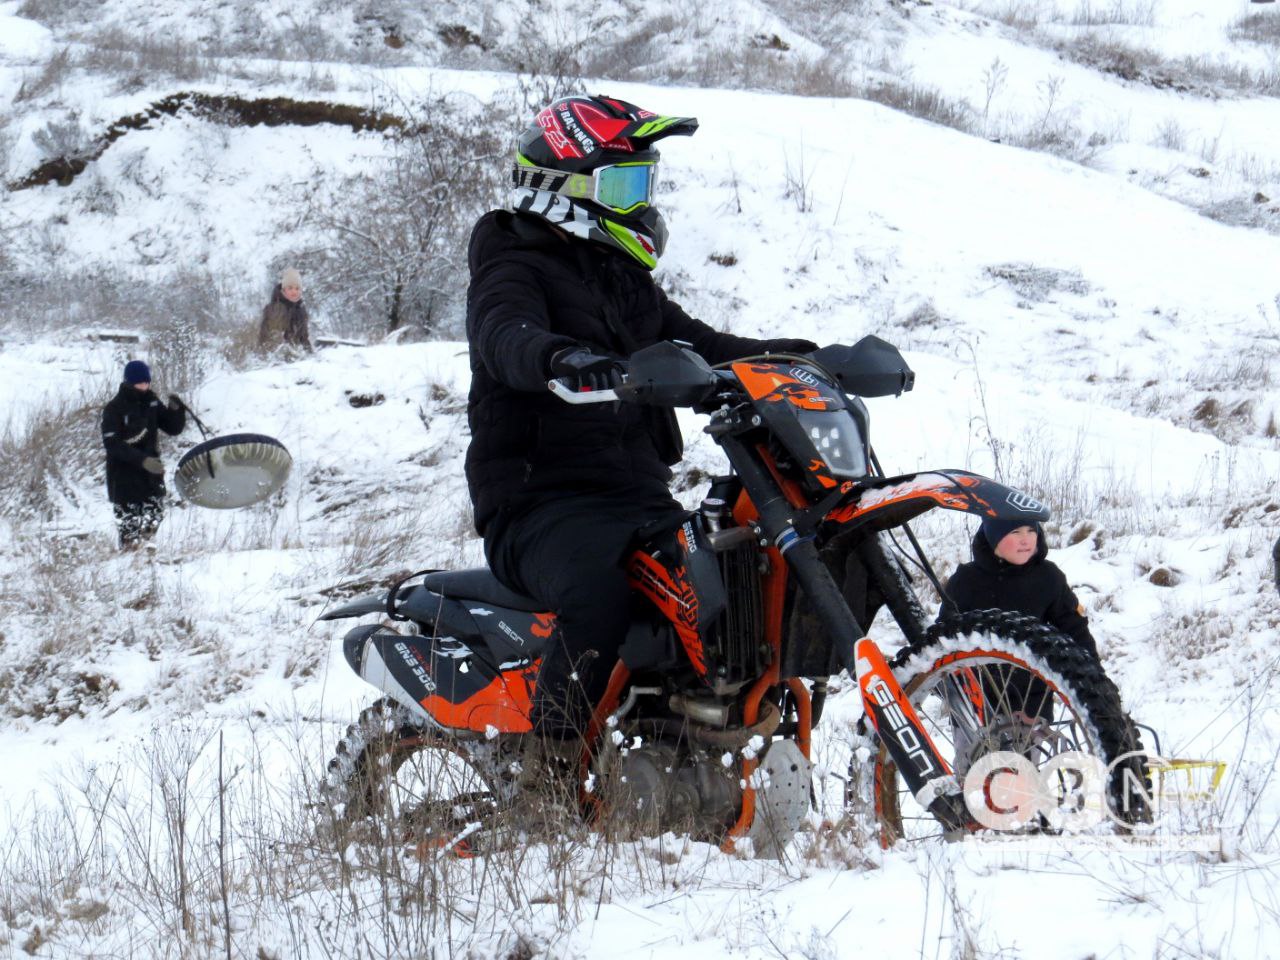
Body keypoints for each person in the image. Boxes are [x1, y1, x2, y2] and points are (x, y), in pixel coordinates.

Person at [465, 95, 816, 751]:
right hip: (538, 501)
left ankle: (678, 743)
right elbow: (504, 336)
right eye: (621, 184)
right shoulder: (509, 264)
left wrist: (808, 360)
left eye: (642, 182)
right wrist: (563, 360)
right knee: (599, 592)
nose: (637, 200)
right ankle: (550, 770)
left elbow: (702, 346)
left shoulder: (622, 279)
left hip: (634, 496)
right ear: (557, 188)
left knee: (724, 589)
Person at [939, 516, 1100, 660]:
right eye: (1015, 532)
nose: (1026, 540)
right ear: (993, 536)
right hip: (977, 687)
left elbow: (1074, 629)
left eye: (1031, 530)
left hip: (1036, 685)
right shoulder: (966, 579)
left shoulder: (1048, 577)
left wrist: (1094, 679)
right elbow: (944, 637)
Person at [101, 360, 186, 549]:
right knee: (128, 525)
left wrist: (177, 410)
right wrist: (142, 460)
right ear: (129, 382)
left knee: (154, 516)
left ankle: (148, 552)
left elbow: (173, 428)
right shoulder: (114, 408)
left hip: (151, 475)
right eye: (140, 383)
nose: (144, 386)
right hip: (123, 476)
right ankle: (130, 557)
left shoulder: (152, 401)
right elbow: (111, 443)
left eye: (147, 382)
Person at [258, 267, 312, 352]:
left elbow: (303, 337)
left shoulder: (300, 309)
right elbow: (274, 338)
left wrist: (309, 352)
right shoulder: (276, 308)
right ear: (283, 290)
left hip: (296, 353)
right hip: (276, 354)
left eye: (297, 288)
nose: (294, 292)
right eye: (290, 288)